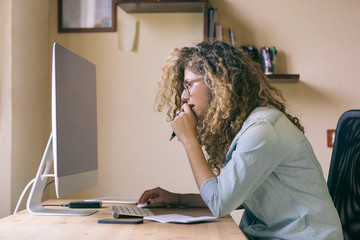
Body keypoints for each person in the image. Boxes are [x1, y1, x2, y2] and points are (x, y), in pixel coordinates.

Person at [138, 41, 343, 239]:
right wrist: (177, 199)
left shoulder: (261, 131)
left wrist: (190, 140)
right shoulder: (249, 127)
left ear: (215, 82)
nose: (184, 96)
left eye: (189, 85)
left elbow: (219, 203)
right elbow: (233, 195)